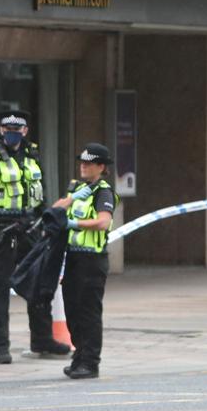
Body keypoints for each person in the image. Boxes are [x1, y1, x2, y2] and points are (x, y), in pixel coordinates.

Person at [0, 111, 70, 364]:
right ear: (1, 131)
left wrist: (46, 223)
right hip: (3, 230)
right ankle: (1, 346)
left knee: (39, 284)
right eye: (7, 129)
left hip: (31, 228)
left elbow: (39, 191)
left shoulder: (32, 154)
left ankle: (42, 339)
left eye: (17, 129)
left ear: (25, 131)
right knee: (0, 289)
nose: (12, 133)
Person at [52, 143, 118, 380]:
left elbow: (102, 222)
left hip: (92, 260)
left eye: (88, 163)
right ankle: (79, 355)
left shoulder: (103, 192)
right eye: (81, 162)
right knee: (72, 310)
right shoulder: (78, 189)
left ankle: (90, 363)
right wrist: (70, 200)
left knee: (88, 312)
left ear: (101, 167)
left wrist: (73, 224)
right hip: (73, 258)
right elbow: (53, 211)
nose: (83, 166)